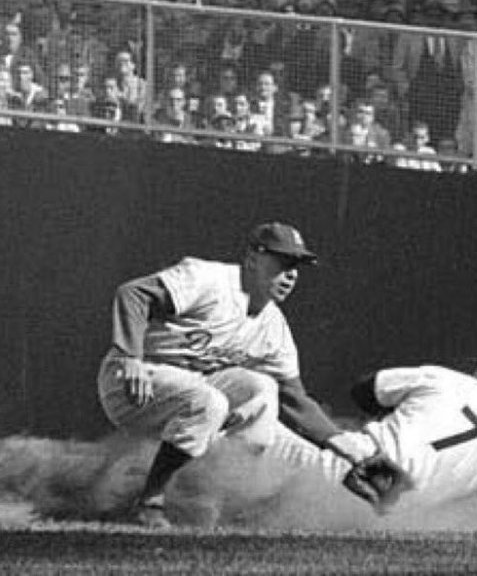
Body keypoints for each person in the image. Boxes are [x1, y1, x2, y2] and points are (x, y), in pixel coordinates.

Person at [96, 222, 385, 527]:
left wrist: (354, 454)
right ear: (252, 259)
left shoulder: (274, 328)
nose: (292, 275)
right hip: (131, 382)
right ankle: (149, 502)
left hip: (189, 390)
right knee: (210, 402)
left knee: (261, 391)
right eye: (283, 262)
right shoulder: (209, 279)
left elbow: (294, 400)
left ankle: (218, 500)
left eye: (298, 266)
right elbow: (133, 294)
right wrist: (130, 356)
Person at [269, 342, 477, 513]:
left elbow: (365, 389)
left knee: (254, 414)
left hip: (347, 469)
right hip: (384, 518)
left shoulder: (447, 379)